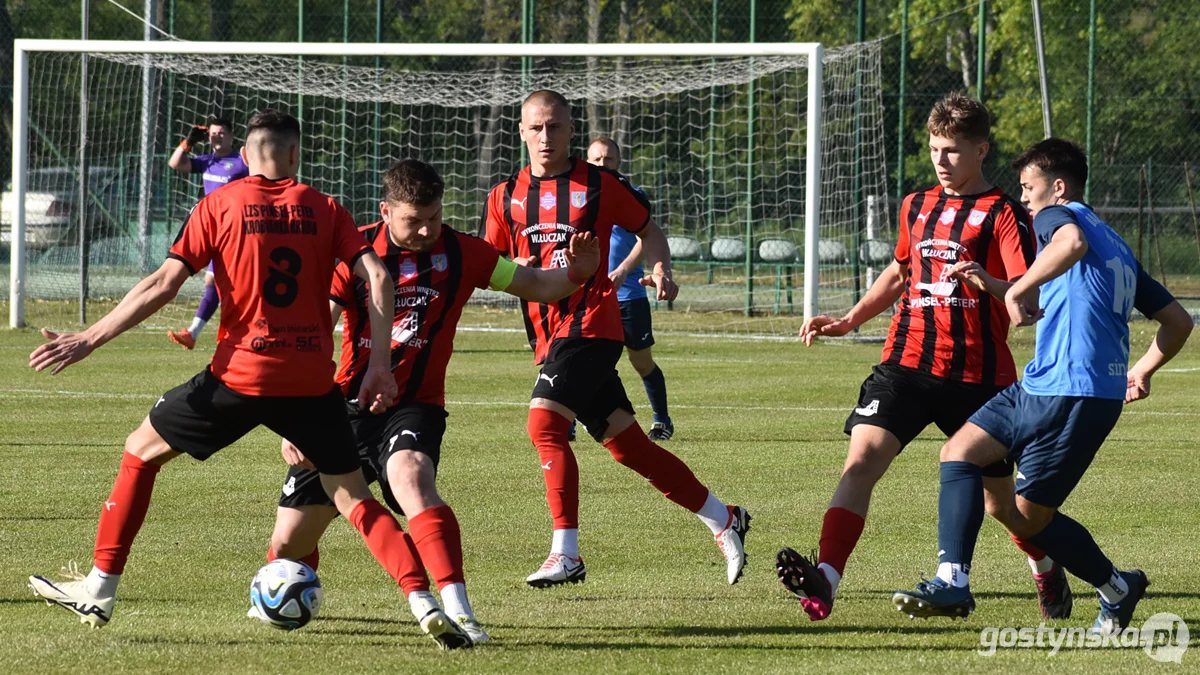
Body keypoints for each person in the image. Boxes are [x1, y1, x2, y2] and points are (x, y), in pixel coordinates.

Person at [27, 110, 473, 651]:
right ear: (294, 155)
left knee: (140, 452)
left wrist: (88, 338)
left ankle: (100, 586)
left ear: (247, 156)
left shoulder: (217, 205)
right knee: (354, 496)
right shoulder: (325, 207)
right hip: (311, 380)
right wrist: (379, 364)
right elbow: (378, 275)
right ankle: (423, 601)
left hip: (238, 375)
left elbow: (164, 285)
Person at [263, 159, 602, 644]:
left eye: (434, 218)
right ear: (385, 212)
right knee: (288, 543)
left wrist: (577, 272)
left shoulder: (464, 252)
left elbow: (538, 286)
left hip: (414, 405)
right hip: (342, 408)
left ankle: (460, 612)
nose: (425, 229)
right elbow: (311, 332)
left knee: (411, 477)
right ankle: (287, 584)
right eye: (412, 220)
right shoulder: (351, 253)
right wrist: (296, 418)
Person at [776, 93, 1066, 622]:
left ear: (981, 149)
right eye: (935, 149)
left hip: (979, 378)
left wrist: (991, 283)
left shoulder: (1003, 213)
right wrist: (850, 319)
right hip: (906, 363)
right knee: (860, 462)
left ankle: (1046, 567)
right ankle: (827, 581)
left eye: (953, 150)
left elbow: (1027, 293)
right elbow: (900, 272)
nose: (941, 160)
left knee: (1004, 506)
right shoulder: (916, 205)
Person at [893, 138, 1192, 635]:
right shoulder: (1113, 241)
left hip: (1069, 390)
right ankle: (1108, 587)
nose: (1024, 198)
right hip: (1057, 385)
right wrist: (1141, 371)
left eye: (1029, 188)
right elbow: (1178, 322)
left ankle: (964, 582)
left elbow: (1066, 245)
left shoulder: (1059, 217)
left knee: (1017, 508)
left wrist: (1020, 286)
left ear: (1057, 187)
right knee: (976, 471)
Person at [480, 90, 749, 589]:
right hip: (548, 336)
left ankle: (567, 552)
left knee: (543, 424)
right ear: (520, 132)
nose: (546, 137)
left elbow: (649, 229)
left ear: (571, 130)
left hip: (592, 326)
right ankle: (723, 517)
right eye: (536, 128)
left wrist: (663, 267)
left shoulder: (599, 185)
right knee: (629, 448)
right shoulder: (503, 196)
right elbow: (491, 265)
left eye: (555, 127)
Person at [585, 136, 674, 441]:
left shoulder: (632, 196)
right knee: (581, 359)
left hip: (628, 296)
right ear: (586, 162)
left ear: (618, 163)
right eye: (596, 159)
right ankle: (568, 421)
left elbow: (646, 238)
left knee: (641, 361)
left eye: (608, 159)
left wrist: (622, 270)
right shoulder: (578, 197)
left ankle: (662, 420)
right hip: (589, 298)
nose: (602, 164)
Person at [166, 116, 250, 350]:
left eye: (222, 132)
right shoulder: (207, 162)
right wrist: (188, 142)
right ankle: (203, 332)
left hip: (235, 229)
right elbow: (175, 164)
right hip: (213, 228)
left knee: (218, 280)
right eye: (213, 133)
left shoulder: (241, 162)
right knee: (218, 281)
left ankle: (198, 332)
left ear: (232, 136)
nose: (217, 136)